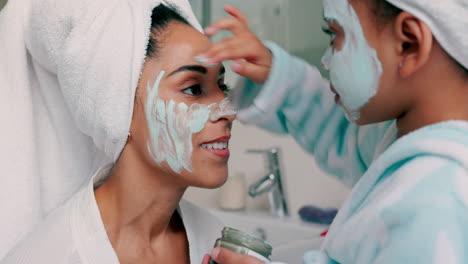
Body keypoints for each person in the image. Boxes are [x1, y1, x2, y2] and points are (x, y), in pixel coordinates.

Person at [198, 0, 468, 263]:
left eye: (334, 36)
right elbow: (340, 133)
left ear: (408, 43)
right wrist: (278, 77)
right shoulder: (405, 143)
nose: (326, 62)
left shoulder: (437, 201)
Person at [1, 2, 236, 264]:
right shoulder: (48, 257)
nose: (228, 111)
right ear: (117, 109)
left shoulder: (217, 243)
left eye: (222, 86)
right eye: (193, 89)